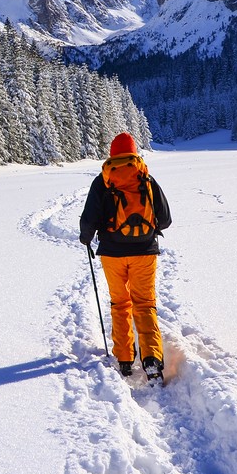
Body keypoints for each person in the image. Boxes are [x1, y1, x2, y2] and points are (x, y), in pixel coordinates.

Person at [79, 132, 172, 383]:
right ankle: (152, 358)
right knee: (144, 303)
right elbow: (165, 219)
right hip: (144, 252)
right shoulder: (146, 178)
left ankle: (124, 358)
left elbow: (89, 219)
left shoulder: (103, 180)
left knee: (120, 304)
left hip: (112, 253)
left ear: (112, 154)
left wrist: (86, 238)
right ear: (133, 152)